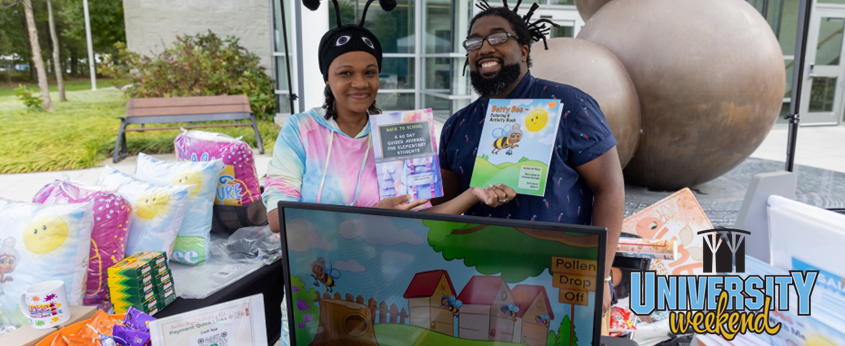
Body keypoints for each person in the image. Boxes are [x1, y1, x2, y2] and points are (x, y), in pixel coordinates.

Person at [432, 0, 625, 318]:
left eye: (497, 37)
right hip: (475, 282)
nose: (484, 48)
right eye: (474, 41)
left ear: (523, 51)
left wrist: (601, 275)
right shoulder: (457, 125)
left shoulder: (570, 106)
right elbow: (442, 208)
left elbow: (610, 188)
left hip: (554, 277)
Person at [262, 0, 516, 234]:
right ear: (327, 78)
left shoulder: (401, 132)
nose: (360, 83)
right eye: (346, 73)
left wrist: (472, 194)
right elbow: (277, 218)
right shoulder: (302, 130)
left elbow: (425, 216)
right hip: (317, 273)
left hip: (388, 271)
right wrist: (373, 216)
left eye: (370, 72)